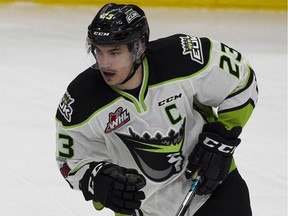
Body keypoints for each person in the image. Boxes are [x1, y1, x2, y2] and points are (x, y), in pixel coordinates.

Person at [55, 3, 258, 216]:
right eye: (99, 51)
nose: (105, 63)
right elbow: (69, 159)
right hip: (140, 207)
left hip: (210, 187)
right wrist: (96, 180)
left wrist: (223, 136)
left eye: (114, 52)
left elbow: (242, 78)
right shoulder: (82, 98)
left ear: (139, 47)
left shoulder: (182, 59)